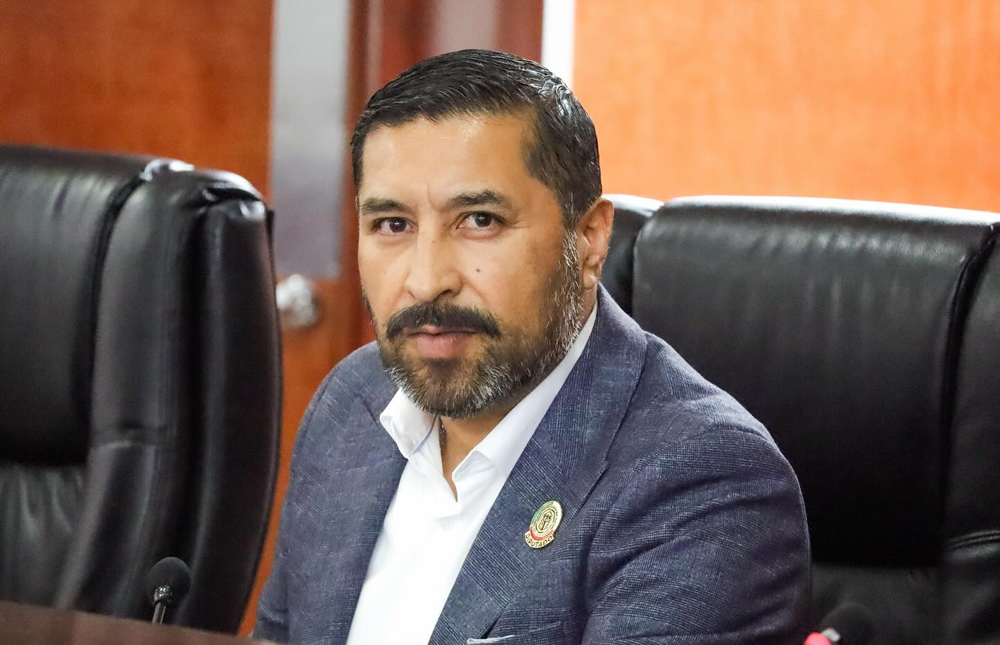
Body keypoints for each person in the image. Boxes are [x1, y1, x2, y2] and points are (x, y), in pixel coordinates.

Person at [254, 49, 809, 645]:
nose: (426, 279)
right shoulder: (352, 402)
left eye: (480, 220)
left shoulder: (702, 482)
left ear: (589, 240)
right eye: (394, 225)